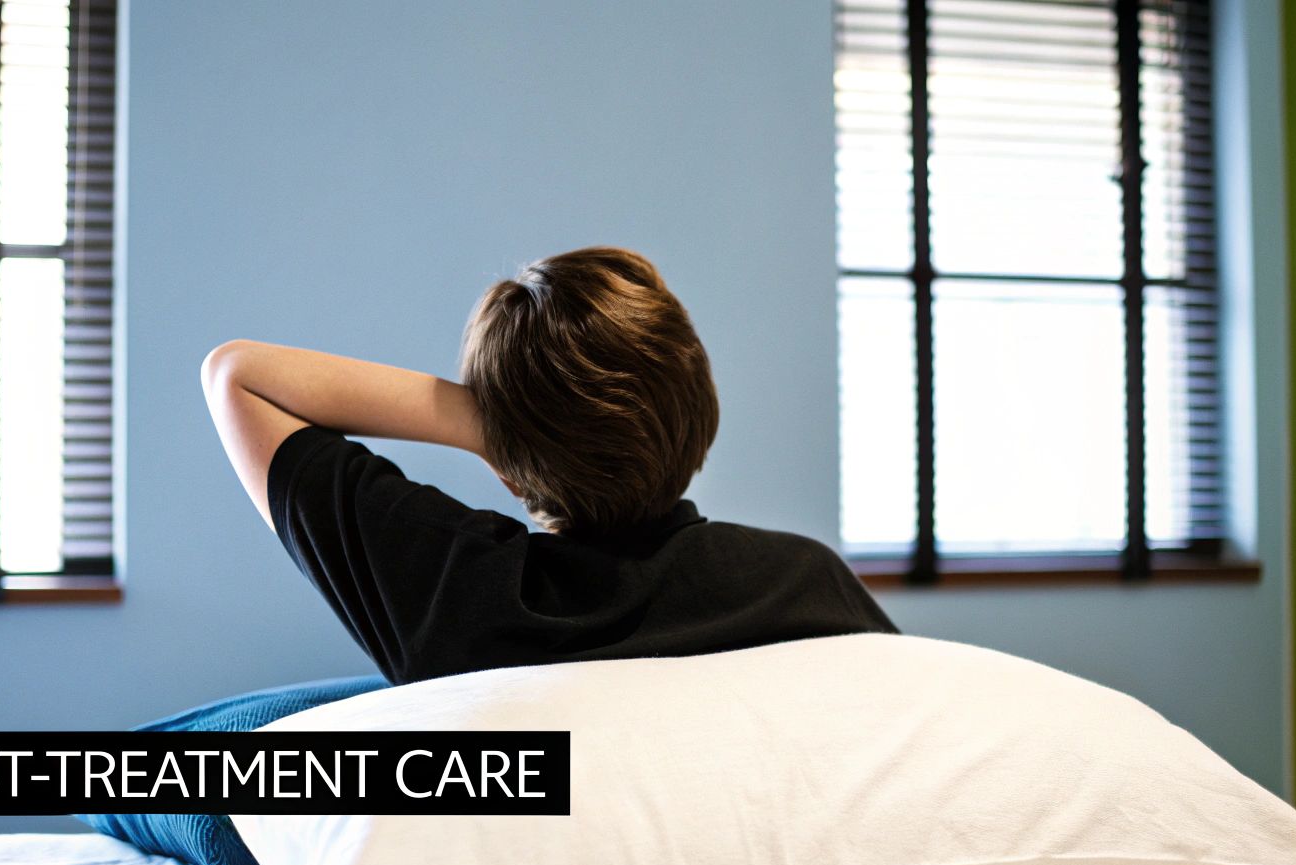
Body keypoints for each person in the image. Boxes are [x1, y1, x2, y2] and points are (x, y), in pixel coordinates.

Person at [201, 246, 896, 685]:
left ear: (506, 467)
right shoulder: (804, 583)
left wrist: (496, 426)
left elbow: (238, 376)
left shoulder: (458, 596)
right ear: (702, 414)